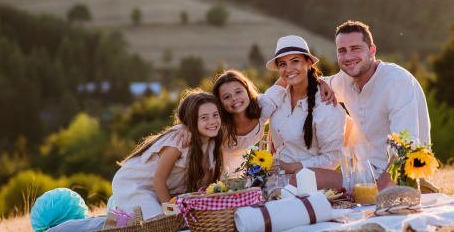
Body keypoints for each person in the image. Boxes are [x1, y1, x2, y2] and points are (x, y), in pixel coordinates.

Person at [323, 20, 431, 192]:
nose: (348, 57)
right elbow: (307, 82)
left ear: (372, 51)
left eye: (356, 48)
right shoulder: (345, 80)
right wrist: (277, 133)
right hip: (364, 175)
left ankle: (423, 189)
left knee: (308, 180)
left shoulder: (396, 83)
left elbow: (406, 147)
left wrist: (376, 190)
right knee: (304, 177)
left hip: (399, 177)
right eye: (342, 51)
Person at [171, 70, 339, 175]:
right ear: (220, 103)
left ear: (247, 91)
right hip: (216, 170)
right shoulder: (217, 123)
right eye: (226, 97)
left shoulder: (262, 107)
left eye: (238, 92)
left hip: (245, 169)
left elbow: (290, 76)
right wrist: (186, 127)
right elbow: (199, 119)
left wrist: (320, 81)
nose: (235, 98)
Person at [111, 90, 224, 217]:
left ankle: (123, 209)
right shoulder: (179, 141)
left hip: (160, 190)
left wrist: (200, 208)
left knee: (190, 222)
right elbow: (158, 181)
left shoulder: (211, 143)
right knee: (162, 223)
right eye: (204, 117)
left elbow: (203, 184)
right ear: (191, 121)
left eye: (215, 115)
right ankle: (118, 205)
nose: (212, 121)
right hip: (133, 185)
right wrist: (172, 214)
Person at [267, 35, 346, 189]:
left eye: (295, 61)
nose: (288, 69)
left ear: (308, 63)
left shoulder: (325, 105)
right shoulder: (278, 96)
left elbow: (332, 158)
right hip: (274, 184)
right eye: (283, 64)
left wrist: (291, 167)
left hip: (307, 187)